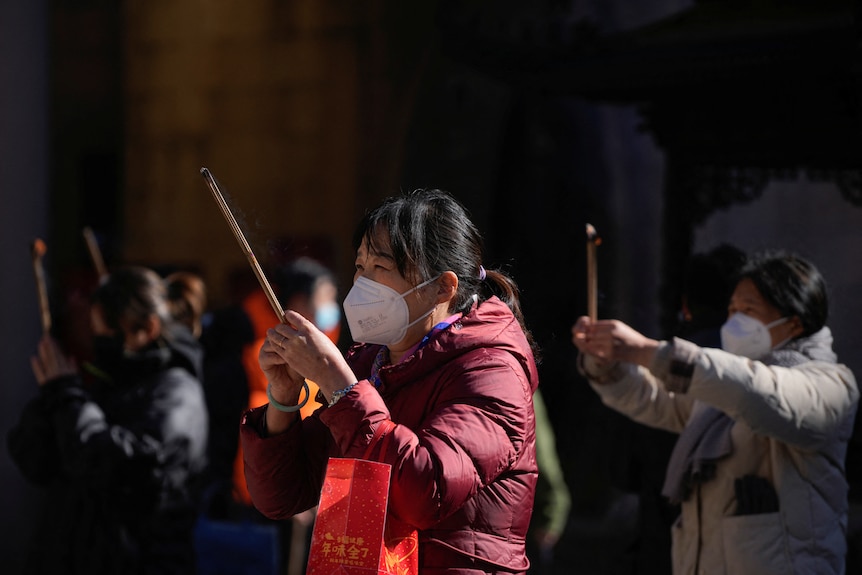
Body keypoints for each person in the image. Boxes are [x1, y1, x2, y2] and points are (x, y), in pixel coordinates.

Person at [239, 188, 540, 574]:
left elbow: (423, 493)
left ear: (443, 287)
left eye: (380, 269)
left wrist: (340, 386)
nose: (362, 284)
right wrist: (283, 397)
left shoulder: (492, 370)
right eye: (360, 267)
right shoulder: (371, 361)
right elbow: (280, 497)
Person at [571, 250, 859, 574]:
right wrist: (607, 363)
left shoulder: (831, 385)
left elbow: (760, 392)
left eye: (749, 311)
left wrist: (650, 352)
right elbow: (654, 398)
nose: (735, 321)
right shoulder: (719, 391)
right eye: (732, 310)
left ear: (793, 322)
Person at [7, 265, 209, 575]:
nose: (99, 345)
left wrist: (68, 397)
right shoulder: (109, 380)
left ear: (147, 329)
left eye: (107, 334)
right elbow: (38, 461)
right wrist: (52, 399)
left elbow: (120, 465)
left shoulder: (177, 393)